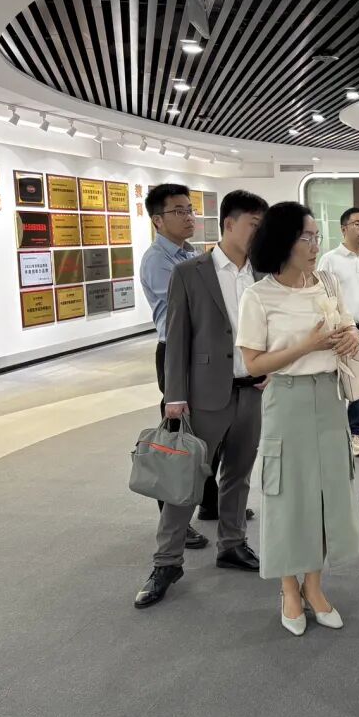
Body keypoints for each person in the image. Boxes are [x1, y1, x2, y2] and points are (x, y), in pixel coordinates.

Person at [134, 191, 268, 608]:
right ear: (229, 224)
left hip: (252, 391)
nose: (259, 233)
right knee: (186, 479)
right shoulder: (191, 272)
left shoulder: (264, 272)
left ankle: (232, 543)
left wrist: (272, 367)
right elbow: (176, 338)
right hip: (205, 394)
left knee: (239, 474)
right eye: (254, 225)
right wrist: (174, 395)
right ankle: (166, 562)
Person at [237, 202, 359, 637]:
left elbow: (348, 326)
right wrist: (307, 346)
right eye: (305, 237)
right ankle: (288, 588)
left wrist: (351, 336)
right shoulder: (259, 296)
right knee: (288, 496)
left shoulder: (327, 283)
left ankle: (314, 585)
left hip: (329, 397)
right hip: (286, 400)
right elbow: (253, 364)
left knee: (327, 493)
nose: (314, 246)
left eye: (316, 237)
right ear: (283, 241)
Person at [138, 183, 207, 551]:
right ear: (158, 220)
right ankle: (174, 520)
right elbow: (190, 305)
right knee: (176, 438)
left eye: (190, 209)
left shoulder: (189, 252)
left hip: (201, 351)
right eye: (179, 211)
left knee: (205, 429)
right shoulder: (157, 260)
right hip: (175, 351)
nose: (188, 217)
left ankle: (209, 501)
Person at [318, 207, 359, 456]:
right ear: (343, 228)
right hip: (340, 333)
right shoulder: (330, 260)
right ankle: (332, 433)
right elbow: (322, 296)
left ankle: (355, 435)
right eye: (357, 223)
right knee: (334, 386)